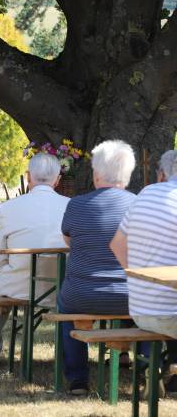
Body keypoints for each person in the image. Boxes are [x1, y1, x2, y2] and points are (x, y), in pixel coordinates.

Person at [57, 140, 136, 395]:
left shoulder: (76, 205)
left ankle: (78, 377)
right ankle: (146, 367)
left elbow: (68, 240)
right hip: (129, 298)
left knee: (65, 306)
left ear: (96, 174)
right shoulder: (138, 205)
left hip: (81, 296)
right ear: (127, 174)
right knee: (144, 297)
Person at [0, 153, 70, 369]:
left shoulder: (8, 208)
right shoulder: (71, 205)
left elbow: (1, 257)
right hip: (61, 287)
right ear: (58, 180)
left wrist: (6, 269)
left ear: (28, 177)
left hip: (19, 284)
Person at [110, 149, 177, 391]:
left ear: (161, 175)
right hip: (170, 315)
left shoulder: (144, 194)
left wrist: (140, 276)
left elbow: (116, 244)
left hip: (139, 309)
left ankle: (162, 367)